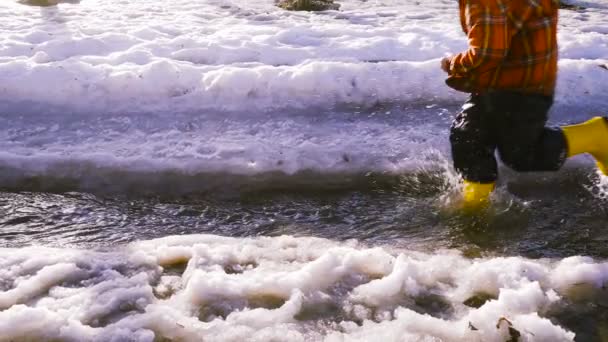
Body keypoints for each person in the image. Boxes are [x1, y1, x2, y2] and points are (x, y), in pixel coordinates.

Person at [441, 0, 608, 208]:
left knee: (522, 154)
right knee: (469, 137)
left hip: (520, 82)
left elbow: (487, 52)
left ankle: (599, 135)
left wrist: (453, 64)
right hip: (512, 73)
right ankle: (475, 206)